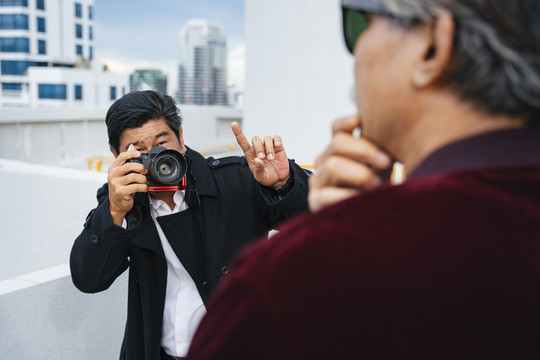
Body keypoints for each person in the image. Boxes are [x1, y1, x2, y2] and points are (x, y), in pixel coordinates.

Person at [186, 0, 540, 358]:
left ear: (433, 45)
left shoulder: (285, 286)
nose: (355, 56)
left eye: (358, 23)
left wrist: (335, 243)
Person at [69, 90, 310, 360]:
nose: (155, 159)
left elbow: (318, 222)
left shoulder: (239, 180)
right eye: (139, 151)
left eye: (162, 143)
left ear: (181, 138)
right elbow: (89, 279)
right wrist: (113, 211)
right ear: (116, 155)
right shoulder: (123, 200)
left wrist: (284, 183)